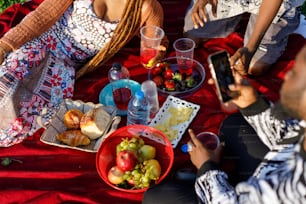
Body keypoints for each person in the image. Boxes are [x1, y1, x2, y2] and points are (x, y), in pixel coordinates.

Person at [143, 45, 306, 204]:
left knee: (155, 198)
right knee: (235, 124)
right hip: (270, 171)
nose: (287, 76)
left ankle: (227, 181)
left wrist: (207, 168)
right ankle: (233, 178)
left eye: (296, 74)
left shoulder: (293, 189)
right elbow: (289, 136)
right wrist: (253, 105)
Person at [0, 0, 168, 147]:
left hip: (63, 66)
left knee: (25, 113)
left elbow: (155, 41)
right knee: (7, 82)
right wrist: (4, 47)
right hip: (39, 44)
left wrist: (156, 52)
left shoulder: (146, 8)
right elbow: (39, 18)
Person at [183, 0, 304, 76]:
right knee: (191, 38)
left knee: (254, 67)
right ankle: (233, 19)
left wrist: (250, 48)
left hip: (274, 4)